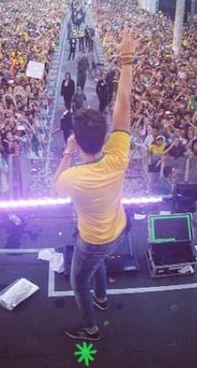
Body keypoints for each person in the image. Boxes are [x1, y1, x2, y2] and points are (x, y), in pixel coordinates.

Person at [52, 27, 136, 341]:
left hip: (94, 239)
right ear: (104, 137)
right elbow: (124, 104)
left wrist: (67, 152)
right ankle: (102, 297)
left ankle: (90, 328)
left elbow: (53, 188)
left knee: (78, 282)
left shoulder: (74, 177)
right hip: (118, 229)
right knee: (97, 263)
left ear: (77, 138)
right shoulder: (117, 154)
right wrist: (126, 60)